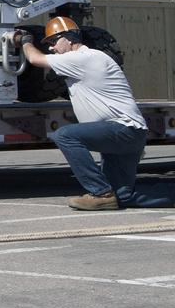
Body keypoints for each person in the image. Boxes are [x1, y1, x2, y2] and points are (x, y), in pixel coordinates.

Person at [17, 15, 163, 211]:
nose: (51, 47)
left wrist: (25, 41)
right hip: (127, 134)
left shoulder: (82, 58)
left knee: (65, 135)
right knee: (123, 196)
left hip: (121, 130)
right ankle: (112, 195)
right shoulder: (89, 60)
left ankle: (99, 192)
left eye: (53, 41)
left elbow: (35, 59)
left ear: (68, 39)